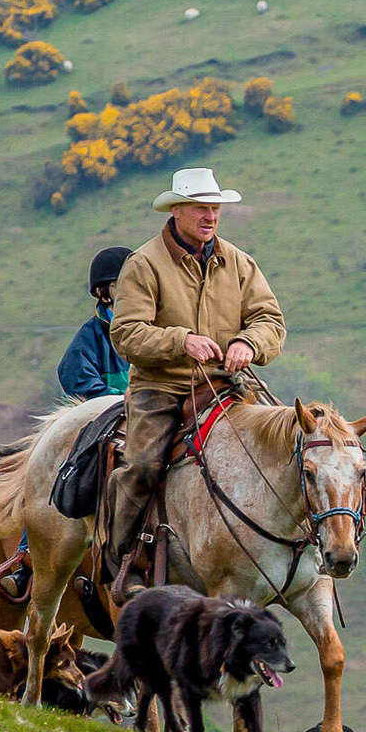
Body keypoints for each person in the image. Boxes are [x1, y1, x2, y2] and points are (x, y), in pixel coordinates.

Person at [102, 167, 285, 601]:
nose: (211, 215)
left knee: (287, 447)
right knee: (143, 464)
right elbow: (126, 333)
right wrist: (179, 340)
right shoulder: (143, 265)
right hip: (161, 387)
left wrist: (248, 342)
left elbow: (271, 321)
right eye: (202, 207)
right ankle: (122, 560)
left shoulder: (239, 262)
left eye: (215, 207)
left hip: (228, 385)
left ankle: (294, 549)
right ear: (177, 210)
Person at [0, 246, 135, 602]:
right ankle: (26, 558)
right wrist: (116, 401)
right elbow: (74, 375)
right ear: (105, 291)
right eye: (124, 282)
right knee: (60, 470)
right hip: (103, 418)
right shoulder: (90, 337)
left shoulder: (151, 326)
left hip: (149, 417)